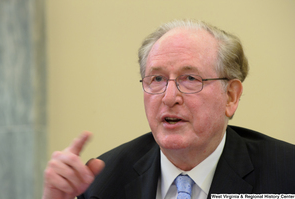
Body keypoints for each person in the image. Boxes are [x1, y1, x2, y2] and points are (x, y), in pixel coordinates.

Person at [42, 19, 295, 199]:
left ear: (230, 96)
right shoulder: (104, 182)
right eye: (157, 79)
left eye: (191, 79)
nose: (169, 97)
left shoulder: (286, 174)